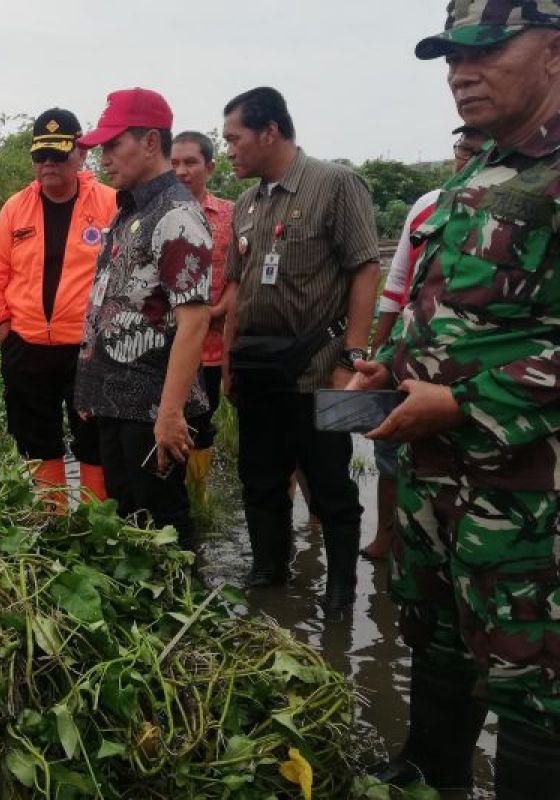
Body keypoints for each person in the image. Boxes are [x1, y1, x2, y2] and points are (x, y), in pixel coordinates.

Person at [350, 4, 560, 795]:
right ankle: (428, 773)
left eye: (486, 50)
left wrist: (465, 401)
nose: (460, 73)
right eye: (449, 57)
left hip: (530, 491)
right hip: (442, 478)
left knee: (533, 674)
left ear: (552, 51)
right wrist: (390, 366)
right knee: (437, 637)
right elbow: (457, 311)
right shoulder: (480, 169)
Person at [219, 87, 381, 610]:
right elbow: (237, 289)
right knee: (260, 481)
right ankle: (269, 576)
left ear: (270, 132)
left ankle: (339, 594)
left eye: (234, 139)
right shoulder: (246, 203)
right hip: (257, 370)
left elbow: (364, 267)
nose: (229, 151)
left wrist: (351, 359)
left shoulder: (335, 185)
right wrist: (227, 361)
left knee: (331, 483)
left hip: (317, 368)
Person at [73, 88, 212, 550]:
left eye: (114, 145)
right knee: (128, 516)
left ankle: (185, 614)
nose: (104, 158)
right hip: (116, 399)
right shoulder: (132, 209)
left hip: (151, 405)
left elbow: (194, 321)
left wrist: (171, 413)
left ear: (151, 142)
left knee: (164, 522)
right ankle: (146, 615)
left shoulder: (175, 216)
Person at [360, 124, 489, 561]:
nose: (464, 157)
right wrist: (380, 357)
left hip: (476, 380)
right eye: (460, 147)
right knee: (392, 450)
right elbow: (398, 288)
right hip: (411, 358)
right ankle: (390, 536)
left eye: (475, 149)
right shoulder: (428, 207)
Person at [0, 108, 117, 503]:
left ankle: (95, 524)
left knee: (94, 439)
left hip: (89, 352)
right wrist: (6, 335)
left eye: (59, 155)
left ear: (80, 154)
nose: (49, 164)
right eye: (41, 156)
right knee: (37, 439)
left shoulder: (109, 204)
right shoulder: (14, 209)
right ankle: (52, 524)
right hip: (27, 349)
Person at [170, 131, 235, 508]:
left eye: (190, 162)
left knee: (202, 421)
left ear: (209, 167)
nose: (181, 171)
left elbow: (238, 276)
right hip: (163, 345)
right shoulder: (155, 213)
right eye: (174, 163)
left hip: (210, 346)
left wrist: (213, 312)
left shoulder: (229, 214)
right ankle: (171, 494)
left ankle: (196, 496)